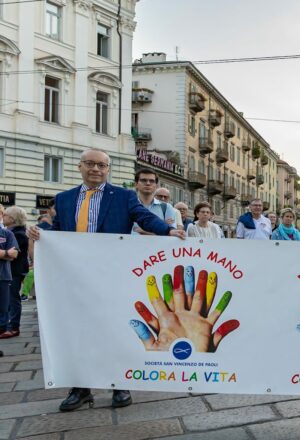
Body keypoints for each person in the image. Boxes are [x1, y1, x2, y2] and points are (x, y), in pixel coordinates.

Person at [26, 148, 184, 412]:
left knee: (114, 327)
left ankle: (119, 384)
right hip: (75, 277)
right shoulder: (64, 198)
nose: (96, 169)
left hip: (111, 276)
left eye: (101, 165)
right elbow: (59, 231)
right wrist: (41, 233)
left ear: (108, 169)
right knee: (77, 330)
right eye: (90, 164)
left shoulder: (122, 196)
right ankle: (80, 388)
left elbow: (143, 218)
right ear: (80, 166)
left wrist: (168, 230)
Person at [0, 207, 27, 339]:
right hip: (10, 269)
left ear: (12, 218)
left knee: (12, 298)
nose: (3, 217)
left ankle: (13, 327)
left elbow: (14, 255)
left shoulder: (17, 233)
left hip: (13, 271)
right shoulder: (10, 232)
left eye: (5, 215)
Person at [132, 169, 182, 234]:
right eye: (144, 180)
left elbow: (171, 234)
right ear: (136, 184)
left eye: (152, 181)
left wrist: (142, 230)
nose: (148, 183)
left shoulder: (166, 207)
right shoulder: (130, 205)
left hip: (158, 244)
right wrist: (161, 226)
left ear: (156, 186)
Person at [0, 208, 18, 340]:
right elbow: (9, 254)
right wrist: (5, 253)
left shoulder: (7, 234)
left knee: (3, 310)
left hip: (3, 277)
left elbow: (14, 255)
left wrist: (7, 254)